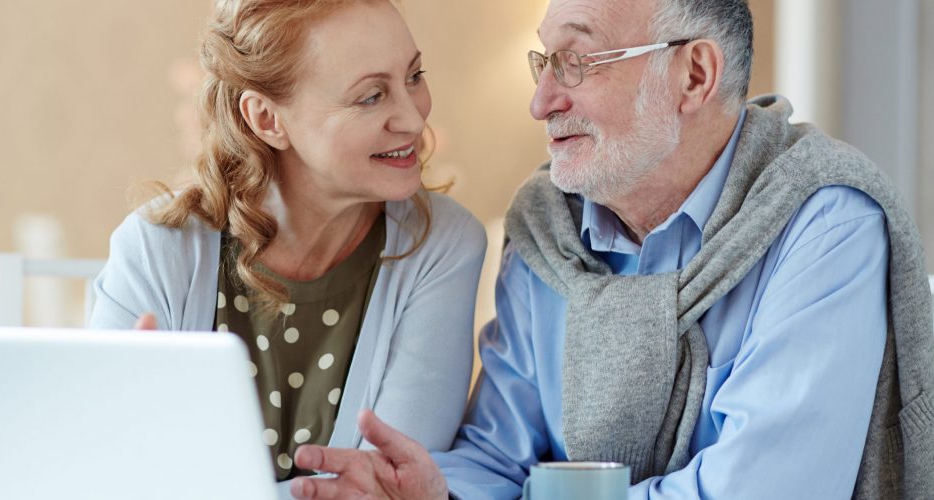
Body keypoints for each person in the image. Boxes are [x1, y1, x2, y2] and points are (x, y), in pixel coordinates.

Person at [288, 0, 934, 498]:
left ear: (694, 74)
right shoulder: (547, 230)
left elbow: (762, 489)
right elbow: (498, 455)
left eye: (578, 63)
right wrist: (436, 490)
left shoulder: (823, 224)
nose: (542, 102)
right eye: (544, 63)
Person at [87, 0, 487, 497]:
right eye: (370, 97)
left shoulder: (442, 246)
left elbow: (387, 487)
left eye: (414, 76)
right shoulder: (156, 249)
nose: (412, 118)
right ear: (266, 118)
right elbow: (100, 470)